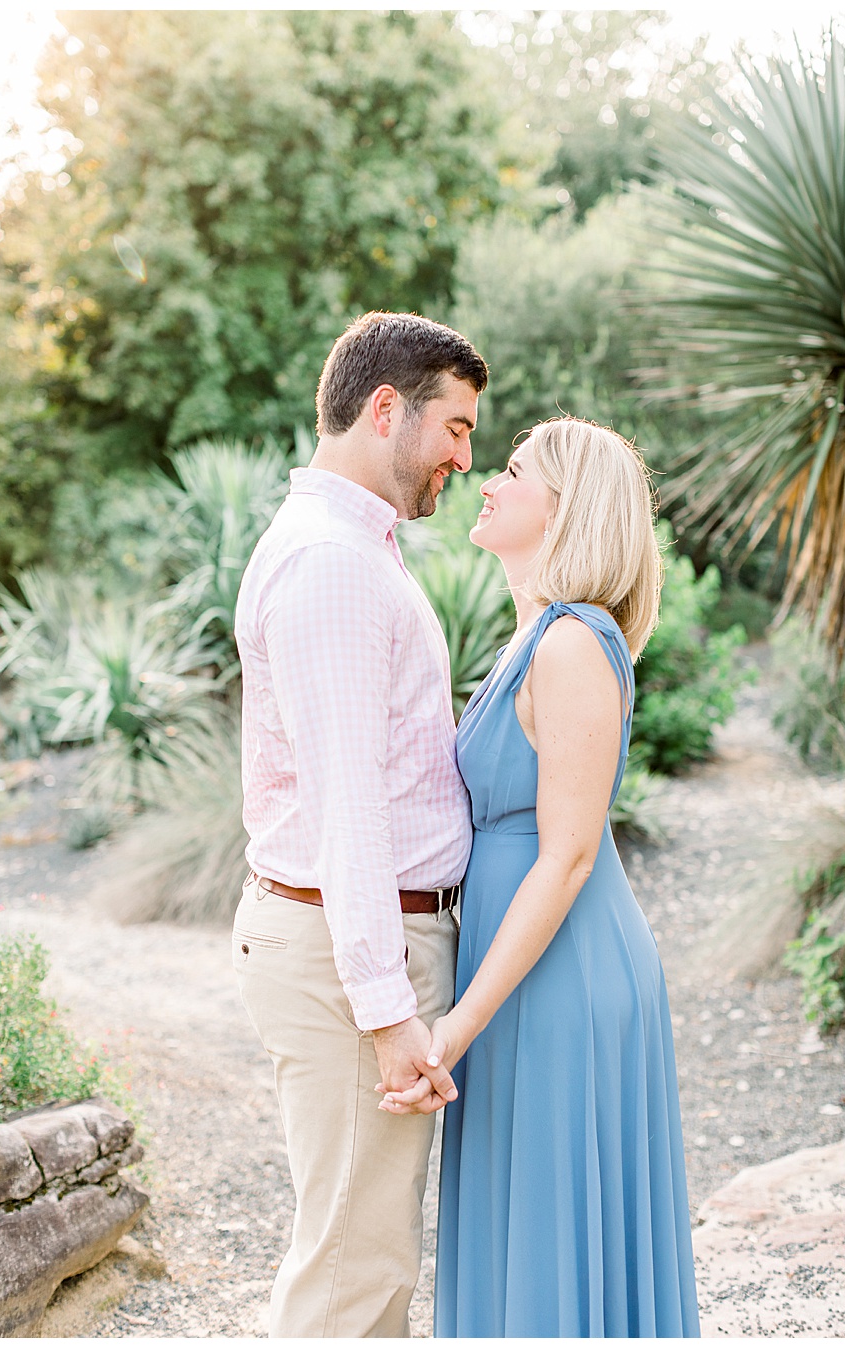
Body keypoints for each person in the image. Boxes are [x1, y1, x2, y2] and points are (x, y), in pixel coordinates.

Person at [385, 419, 698, 1335]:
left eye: (514, 471)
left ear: (567, 509)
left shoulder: (570, 645)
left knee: (555, 1235)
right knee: (525, 1230)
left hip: (560, 975)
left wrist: (454, 1028)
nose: (486, 480)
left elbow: (566, 856)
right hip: (517, 967)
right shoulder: (533, 638)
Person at [230, 310, 486, 1336]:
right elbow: (346, 807)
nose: (464, 458)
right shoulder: (332, 563)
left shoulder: (350, 548)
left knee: (365, 1254)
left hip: (355, 942)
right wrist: (387, 1012)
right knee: (351, 1271)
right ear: (388, 411)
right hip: (352, 959)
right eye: (457, 428)